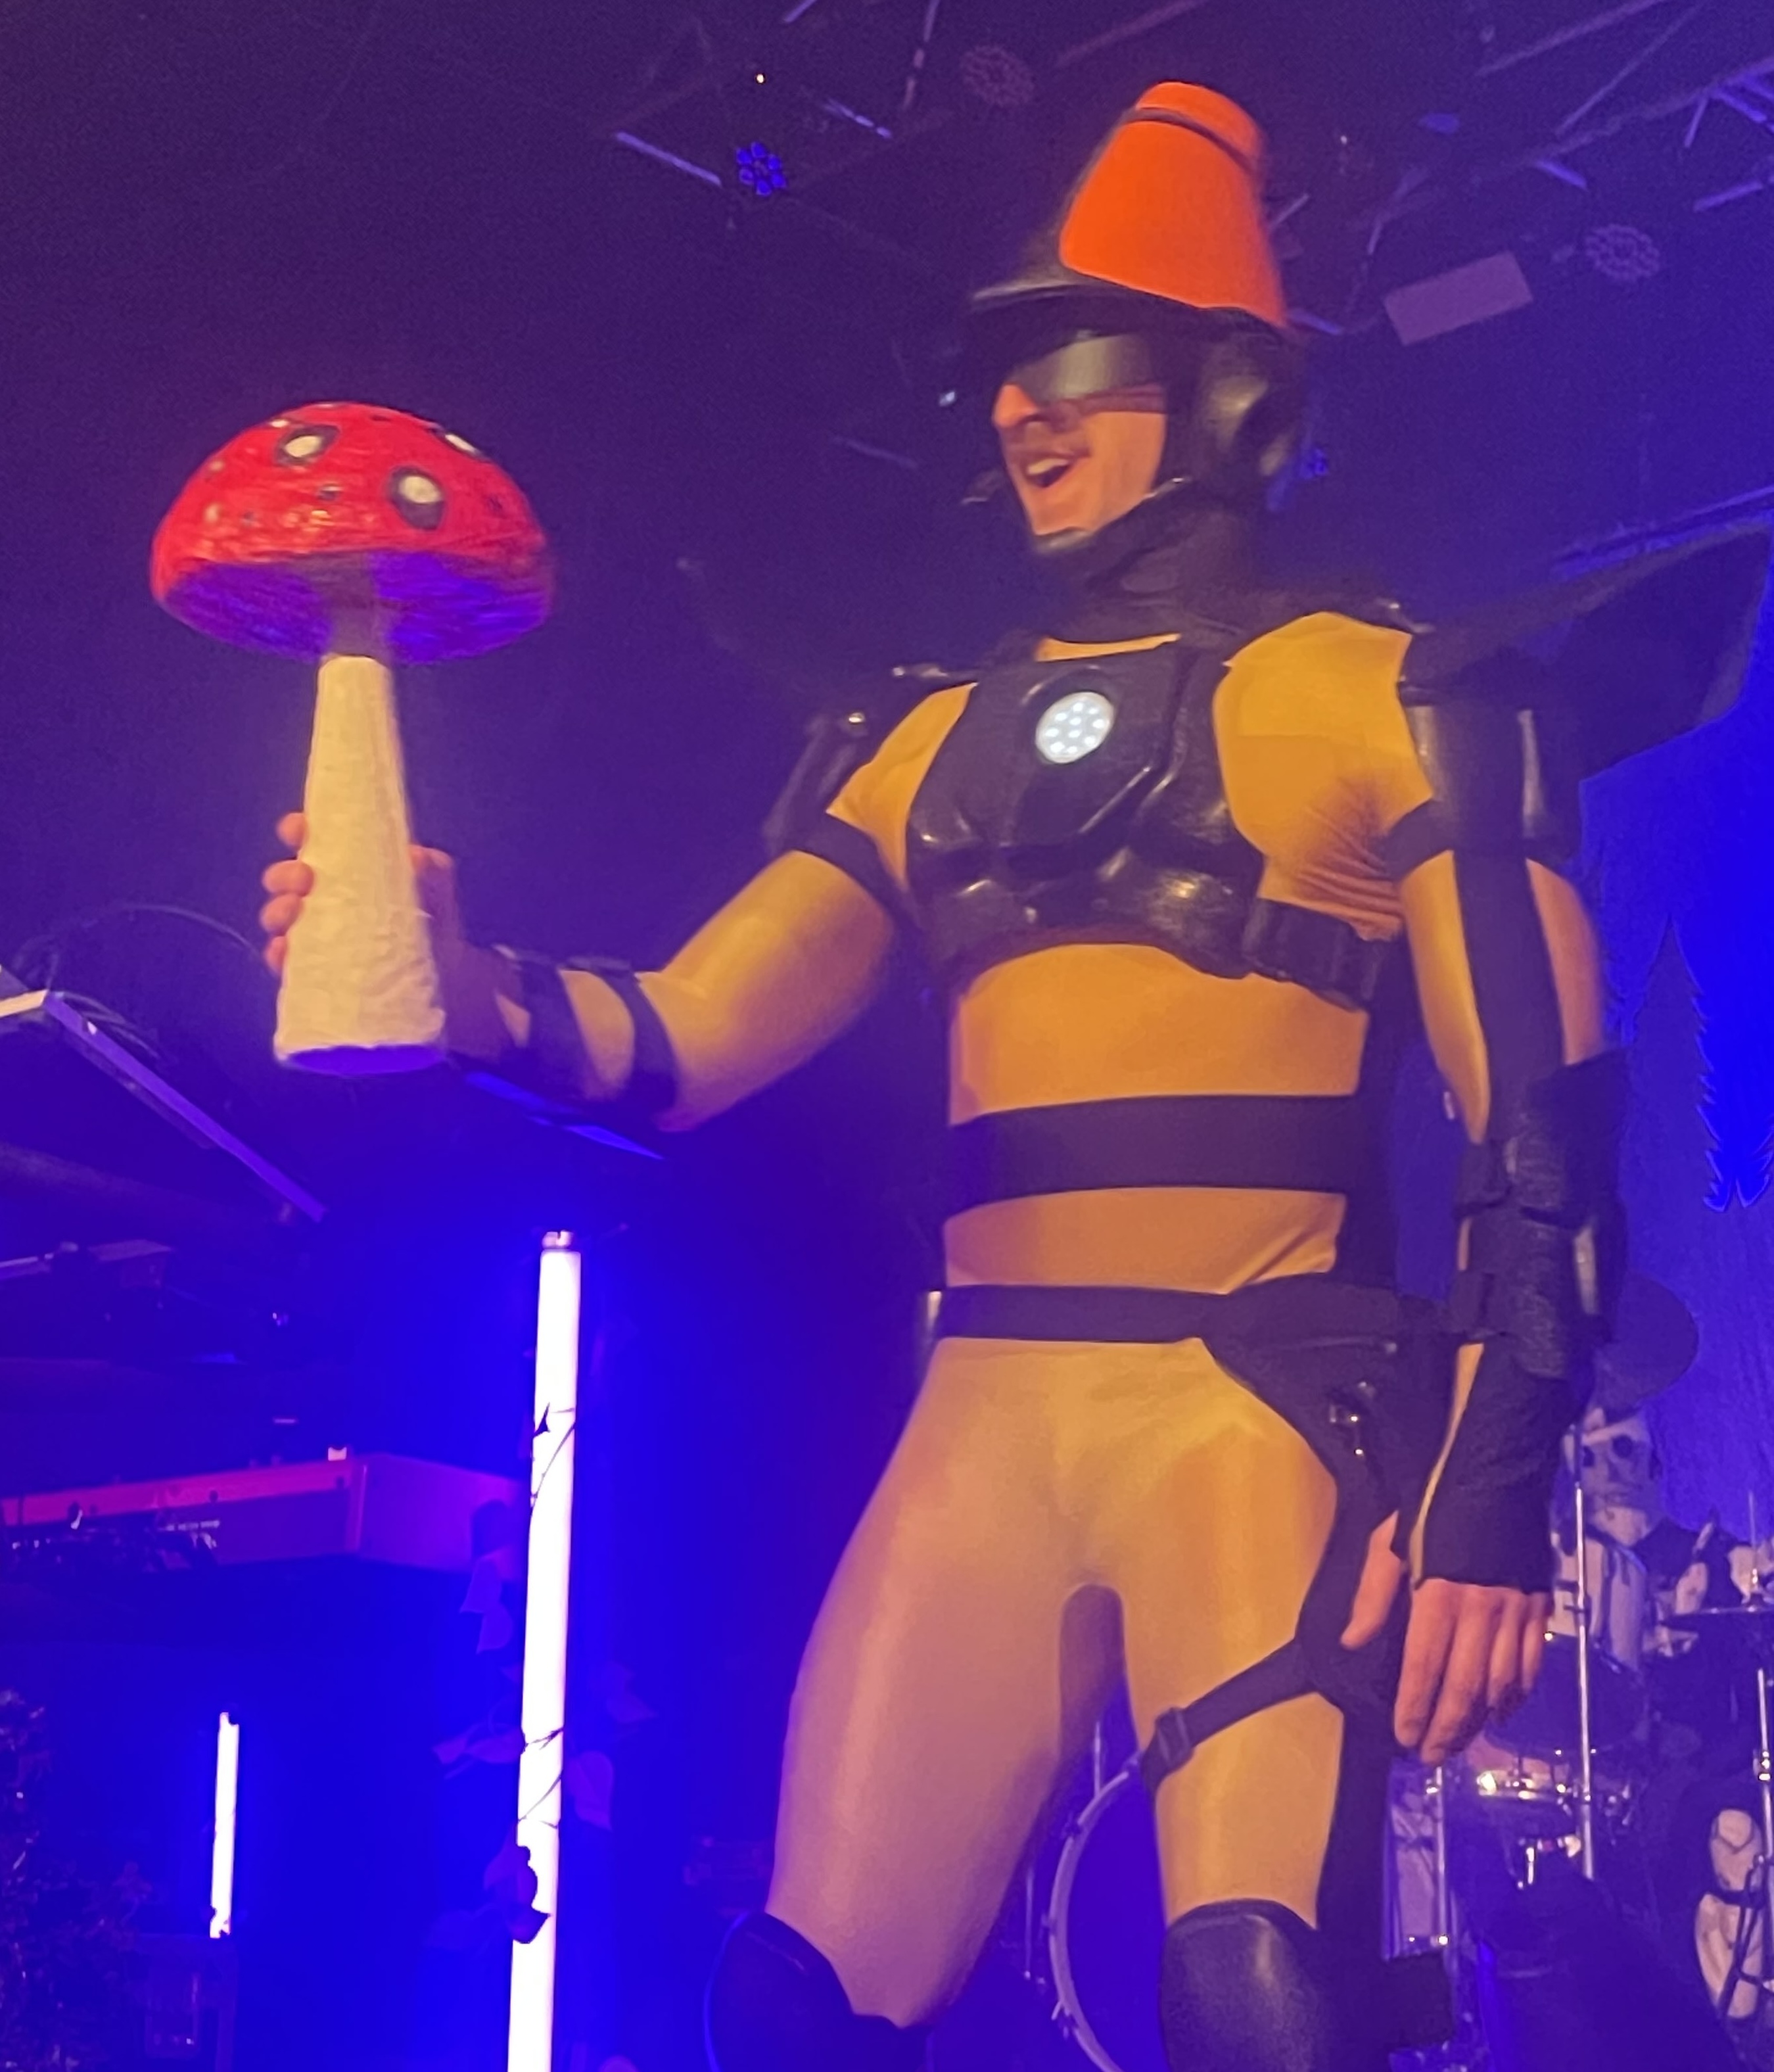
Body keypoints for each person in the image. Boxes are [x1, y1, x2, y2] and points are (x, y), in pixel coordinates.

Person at [259, 82, 1763, 2072]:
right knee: (799, 2004)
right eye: (996, 378)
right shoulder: (919, 748)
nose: (1015, 416)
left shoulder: (1383, 696)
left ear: (1226, 394)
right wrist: (469, 990)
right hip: (982, 1417)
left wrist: (1485, 1503)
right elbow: (687, 1040)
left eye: (1064, 361)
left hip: (1247, 1408)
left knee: (1257, 1998)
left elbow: (1543, 1133)